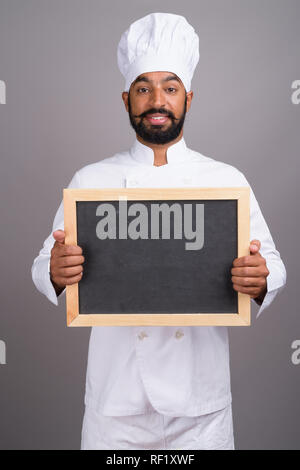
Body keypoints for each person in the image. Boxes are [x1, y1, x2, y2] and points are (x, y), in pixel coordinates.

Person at [31, 12, 286, 450]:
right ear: (126, 99)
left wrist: (261, 279)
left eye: (169, 88)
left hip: (202, 408)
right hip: (116, 406)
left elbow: (275, 267)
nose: (157, 100)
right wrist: (56, 270)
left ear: (189, 97)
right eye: (143, 89)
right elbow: (42, 267)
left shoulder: (226, 179)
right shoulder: (91, 180)